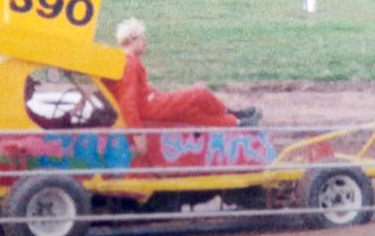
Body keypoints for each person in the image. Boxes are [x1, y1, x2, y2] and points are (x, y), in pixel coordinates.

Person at [103, 18, 260, 154]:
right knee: (199, 93)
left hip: (150, 104)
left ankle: (236, 123)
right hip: (150, 107)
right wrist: (137, 134)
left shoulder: (123, 60)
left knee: (192, 114)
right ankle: (233, 114)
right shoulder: (129, 62)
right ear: (132, 39)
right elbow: (127, 101)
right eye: (143, 39)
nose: (146, 42)